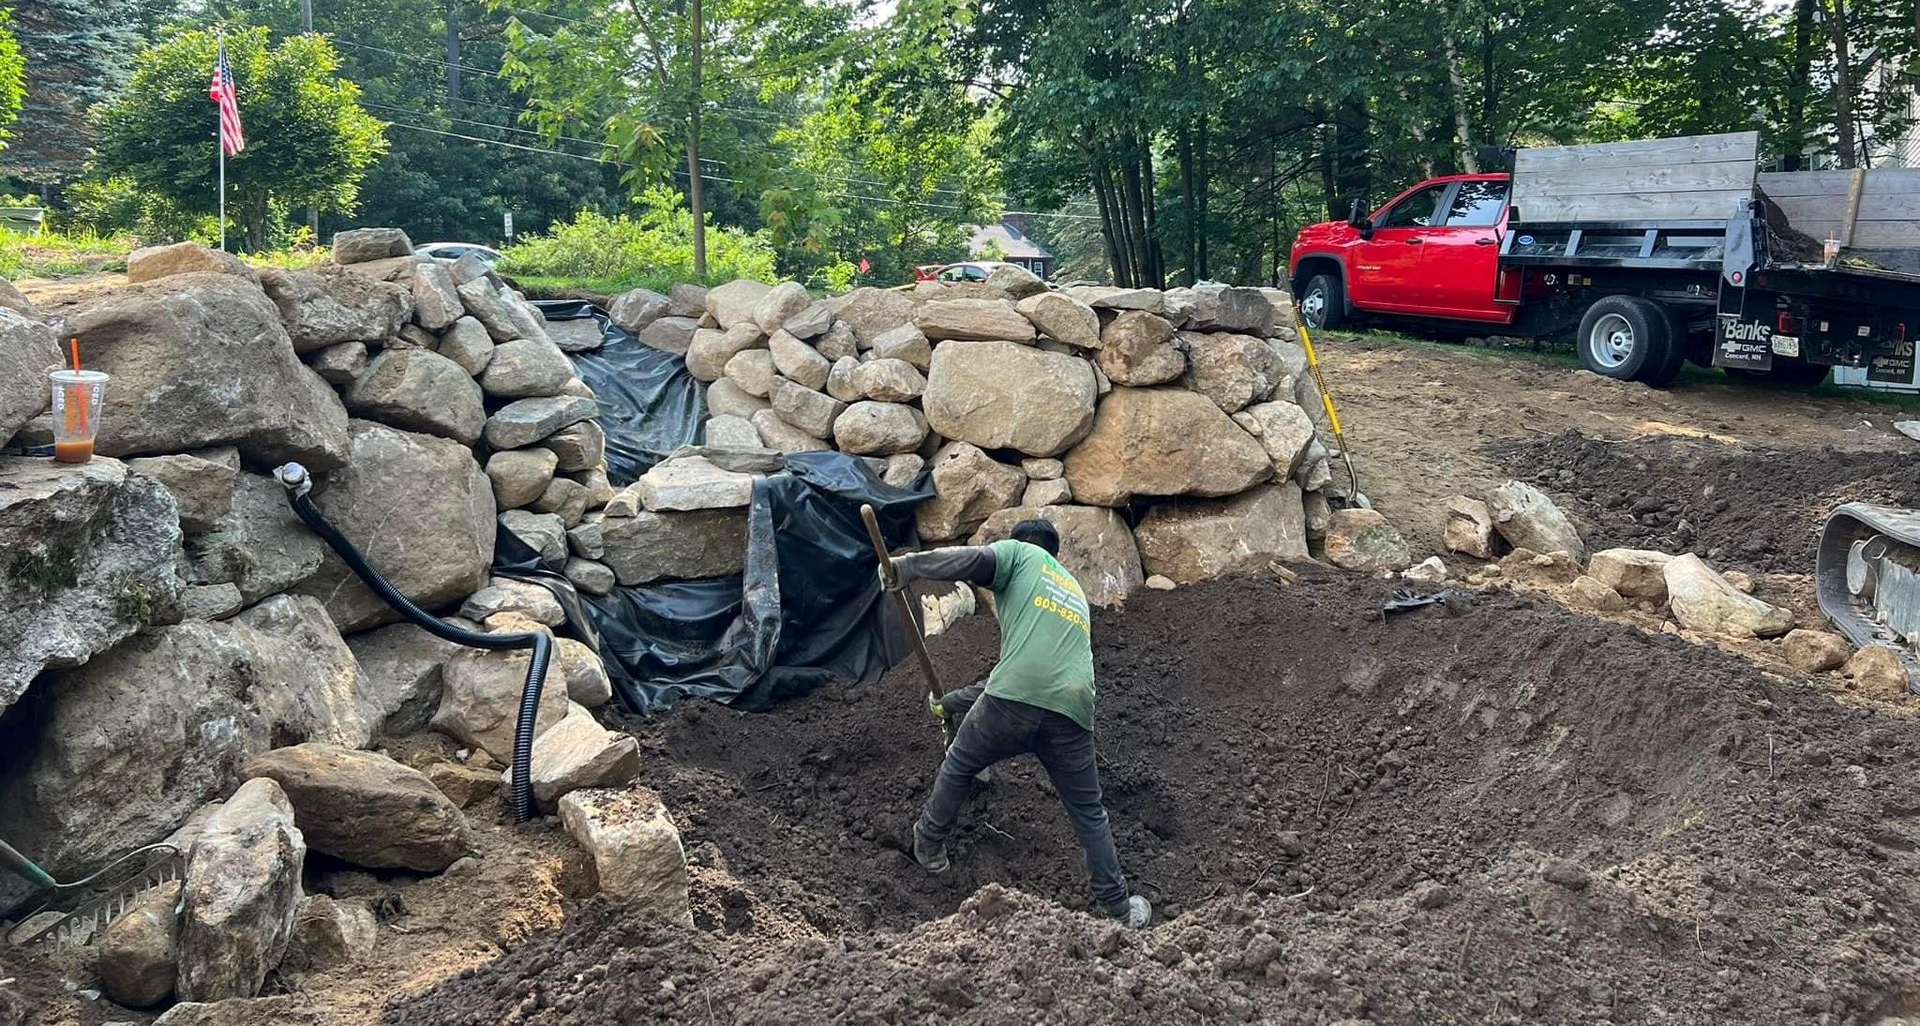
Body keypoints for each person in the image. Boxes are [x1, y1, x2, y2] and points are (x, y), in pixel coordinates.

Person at [881, 519, 1151, 929]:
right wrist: (951, 703)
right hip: (1073, 708)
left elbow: (971, 560)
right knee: (1088, 812)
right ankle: (1117, 909)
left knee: (960, 763)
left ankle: (929, 845)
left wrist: (909, 567)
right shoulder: (1071, 590)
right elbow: (1029, 674)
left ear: (1021, 545)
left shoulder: (1022, 555)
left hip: (1013, 700)